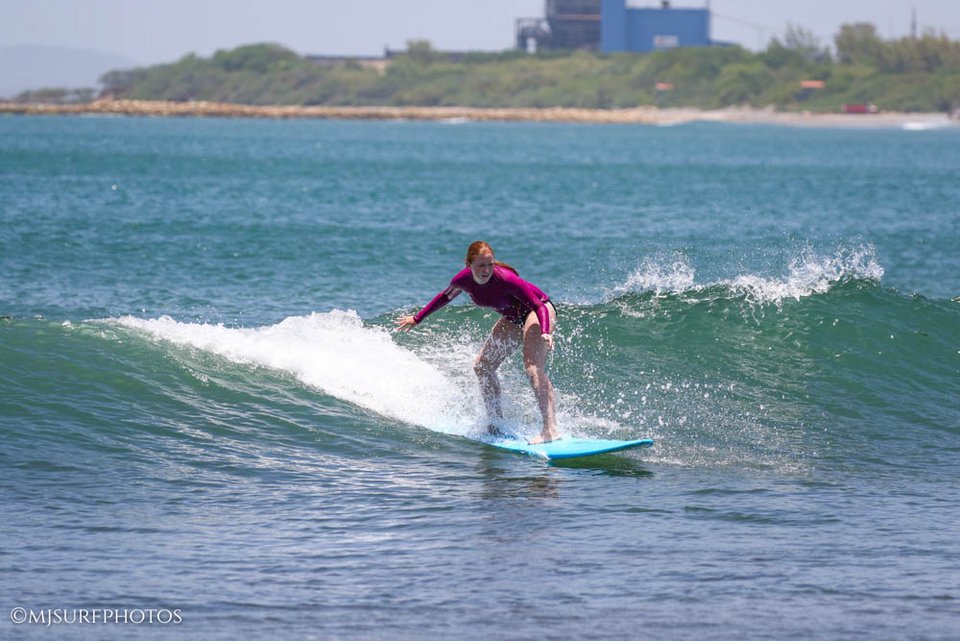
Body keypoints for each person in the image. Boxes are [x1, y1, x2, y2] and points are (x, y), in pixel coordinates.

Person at [395, 241, 559, 444]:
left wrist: (544, 331)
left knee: (533, 367)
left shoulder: (507, 279)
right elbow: (445, 297)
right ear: (469, 264)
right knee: (483, 367)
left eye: (490, 264)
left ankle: (550, 429)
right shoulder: (462, 280)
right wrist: (417, 318)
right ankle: (496, 424)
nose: (487, 270)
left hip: (538, 312)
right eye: (481, 265)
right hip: (513, 318)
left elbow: (537, 304)